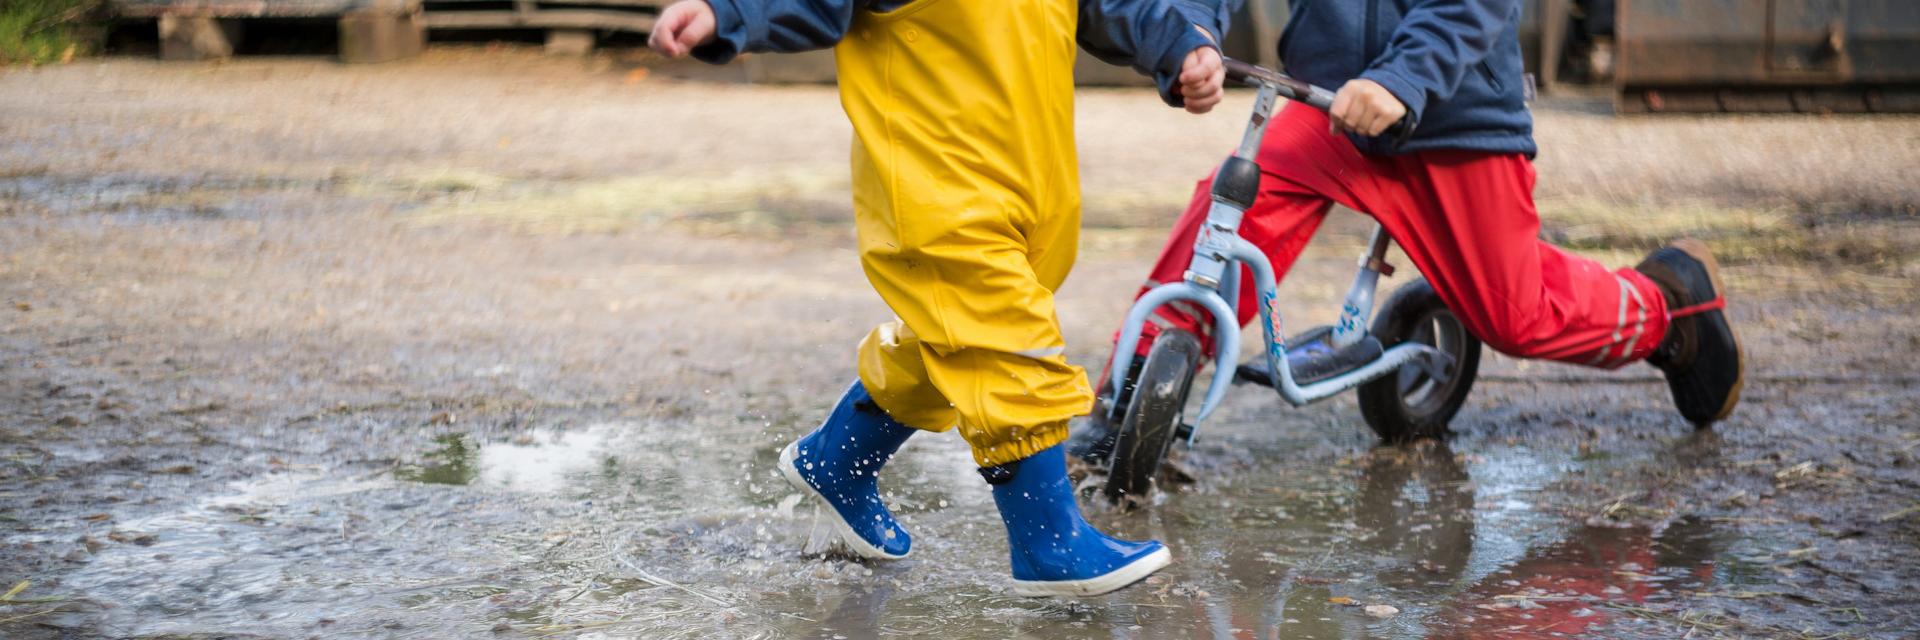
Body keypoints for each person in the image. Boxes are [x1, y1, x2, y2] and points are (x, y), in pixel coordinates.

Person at [648, 0, 1230, 596]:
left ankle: (839, 460)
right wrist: (728, 11)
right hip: (934, 180)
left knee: (955, 334)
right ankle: (1047, 544)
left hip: (1031, 177)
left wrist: (1182, 41)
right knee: (1004, 339)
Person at [1088, 0, 1743, 443]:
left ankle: (1667, 310)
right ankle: (1138, 382)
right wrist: (1186, 36)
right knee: (1235, 204)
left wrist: (1403, 78)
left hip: (1453, 116)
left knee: (1519, 315)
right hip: (1328, 104)